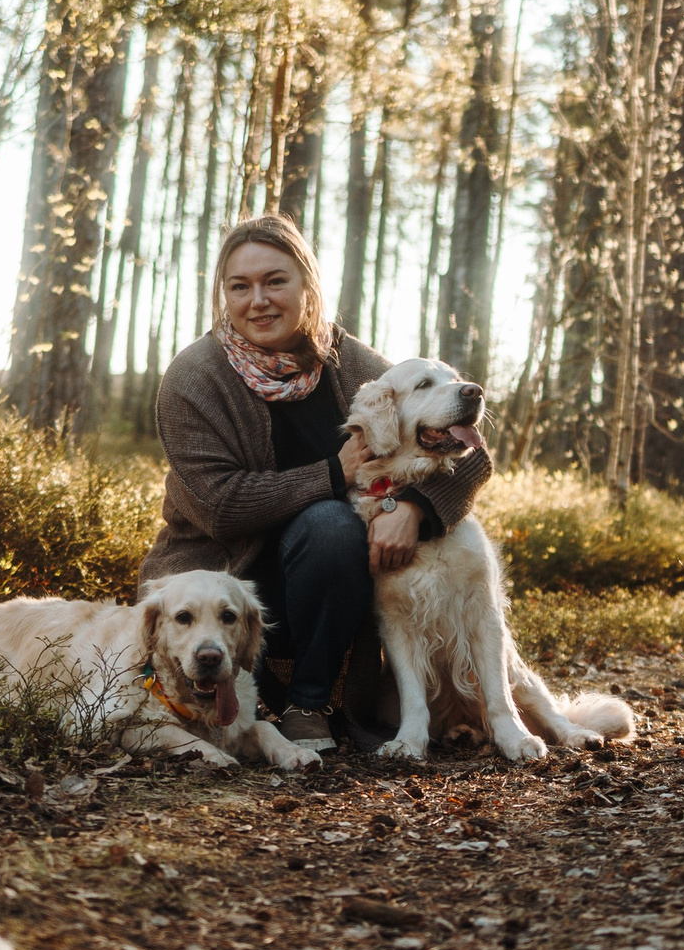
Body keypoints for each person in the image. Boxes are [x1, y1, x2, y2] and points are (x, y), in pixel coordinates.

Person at [141, 215, 490, 749]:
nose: (258, 300)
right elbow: (222, 506)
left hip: (336, 577)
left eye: (275, 281)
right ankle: (279, 702)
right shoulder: (195, 378)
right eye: (240, 286)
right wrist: (336, 471)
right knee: (330, 521)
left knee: (330, 531)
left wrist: (415, 507)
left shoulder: (353, 364)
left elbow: (469, 452)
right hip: (223, 576)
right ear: (224, 296)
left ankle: (308, 705)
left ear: (309, 286)